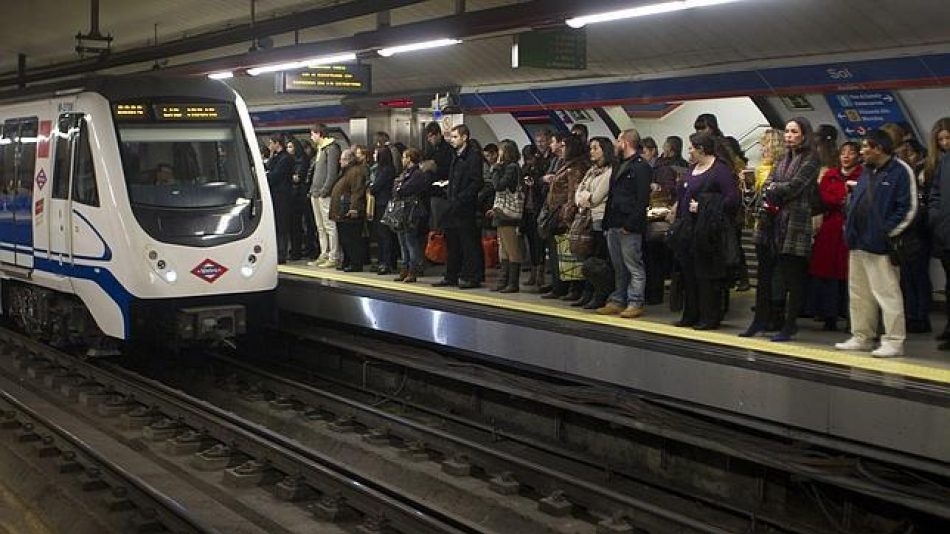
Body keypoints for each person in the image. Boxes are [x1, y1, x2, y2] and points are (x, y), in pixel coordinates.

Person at [836, 130, 917, 357]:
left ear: (879, 148)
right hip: (858, 243)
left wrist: (886, 233)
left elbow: (908, 208)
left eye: (865, 147)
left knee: (888, 294)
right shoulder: (867, 172)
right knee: (859, 294)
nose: (861, 152)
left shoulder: (901, 171)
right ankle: (861, 335)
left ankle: (894, 340)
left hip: (881, 246)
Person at [741, 118, 820, 341]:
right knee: (765, 274)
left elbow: (796, 186)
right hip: (772, 222)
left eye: (794, 132)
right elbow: (770, 184)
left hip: (795, 222)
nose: (789, 136)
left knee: (792, 277)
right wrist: (775, 187)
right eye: (787, 131)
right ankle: (760, 320)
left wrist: (775, 187)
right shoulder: (784, 159)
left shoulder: (811, 159)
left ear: (804, 135)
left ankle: (789, 323)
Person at [670, 132, 739, 329]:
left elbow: (732, 199)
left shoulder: (720, 170)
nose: (689, 151)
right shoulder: (692, 169)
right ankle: (691, 314)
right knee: (689, 274)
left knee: (706, 276)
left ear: (701, 149)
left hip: (709, 232)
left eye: (691, 147)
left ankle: (709, 316)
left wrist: (704, 206)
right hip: (688, 229)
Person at [596, 129, 652, 319]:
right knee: (618, 265)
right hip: (614, 221)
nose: (615, 143)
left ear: (626, 142)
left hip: (629, 224)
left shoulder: (640, 166)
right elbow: (612, 196)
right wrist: (607, 223)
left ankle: (635, 301)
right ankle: (618, 299)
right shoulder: (618, 164)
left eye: (618, 140)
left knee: (633, 265)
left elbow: (642, 198)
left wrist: (631, 223)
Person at [809, 142, 861, 331]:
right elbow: (823, 198)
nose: (846, 156)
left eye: (851, 153)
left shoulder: (862, 175)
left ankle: (850, 316)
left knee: (850, 275)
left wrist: (841, 198)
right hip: (830, 227)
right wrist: (842, 196)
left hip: (852, 228)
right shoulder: (831, 175)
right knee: (827, 273)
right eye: (843, 153)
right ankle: (828, 315)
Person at [432, 125, 484, 289]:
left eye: (455, 137)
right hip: (453, 204)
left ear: (464, 137)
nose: (452, 140)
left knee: (468, 242)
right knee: (452, 242)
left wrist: (461, 198)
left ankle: (472, 276)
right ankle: (451, 274)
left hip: (465, 206)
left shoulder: (473, 157)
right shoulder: (456, 156)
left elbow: (477, 182)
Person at [542, 135, 590, 301]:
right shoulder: (567, 165)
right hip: (558, 212)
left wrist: (566, 215)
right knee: (560, 253)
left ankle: (568, 287)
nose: (560, 149)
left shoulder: (575, 168)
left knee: (566, 253)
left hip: (564, 215)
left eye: (564, 146)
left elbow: (572, 194)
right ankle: (560, 285)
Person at [575, 136, 615, 309]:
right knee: (587, 258)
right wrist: (584, 198)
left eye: (595, 148)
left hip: (600, 218)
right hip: (586, 218)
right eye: (591, 148)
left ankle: (600, 294)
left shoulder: (610, 171)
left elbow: (597, 197)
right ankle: (587, 292)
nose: (591, 151)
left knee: (599, 260)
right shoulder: (591, 171)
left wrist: (586, 198)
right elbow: (579, 192)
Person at [926, 118, 950, 346]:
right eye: (941, 139)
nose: (944, 143)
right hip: (944, 232)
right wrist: (934, 216)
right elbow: (935, 193)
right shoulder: (943, 163)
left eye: (947, 138)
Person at [488, 140, 524, 293]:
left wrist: (495, 169)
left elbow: (499, 186)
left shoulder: (512, 168)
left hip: (508, 214)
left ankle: (512, 282)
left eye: (501, 150)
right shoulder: (509, 168)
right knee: (503, 248)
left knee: (511, 248)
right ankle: (504, 280)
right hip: (502, 212)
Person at [393, 148, 431, 283]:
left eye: (404, 157)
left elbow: (404, 189)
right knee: (403, 241)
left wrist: (399, 188)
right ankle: (405, 267)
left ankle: (413, 269)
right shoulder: (406, 173)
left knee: (411, 241)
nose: (402, 160)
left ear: (409, 159)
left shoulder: (417, 174)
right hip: (403, 212)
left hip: (412, 211)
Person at [307, 124, 342, 268]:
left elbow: (331, 173)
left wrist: (325, 190)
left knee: (329, 225)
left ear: (319, 133)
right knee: (320, 226)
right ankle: (324, 253)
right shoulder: (320, 149)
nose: (311, 137)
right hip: (315, 192)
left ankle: (334, 256)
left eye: (313, 134)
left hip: (324, 193)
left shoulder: (331, 149)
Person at [329, 148, 369, 272]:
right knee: (344, 238)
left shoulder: (355, 172)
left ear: (348, 160)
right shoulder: (347, 172)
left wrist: (354, 208)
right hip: (342, 210)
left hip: (348, 210)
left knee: (352, 239)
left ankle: (355, 263)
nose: (340, 162)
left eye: (342, 159)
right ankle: (347, 260)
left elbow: (356, 191)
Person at [520, 144, 546, 290]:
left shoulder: (541, 169)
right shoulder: (524, 169)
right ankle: (533, 271)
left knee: (539, 243)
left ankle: (540, 272)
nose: (529, 162)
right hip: (527, 209)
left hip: (538, 208)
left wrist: (535, 182)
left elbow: (542, 188)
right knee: (531, 241)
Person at [265, 134, 293, 264]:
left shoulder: (286, 158)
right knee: (276, 224)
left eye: (271, 143)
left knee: (282, 225)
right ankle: (276, 251)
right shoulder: (276, 157)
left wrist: (268, 175)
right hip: (275, 195)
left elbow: (275, 175)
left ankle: (282, 253)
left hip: (283, 195)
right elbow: (268, 168)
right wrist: (271, 155)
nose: (269, 145)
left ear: (277, 143)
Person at [371, 146, 398, 275]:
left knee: (384, 234)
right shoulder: (386, 169)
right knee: (382, 234)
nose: (374, 155)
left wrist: (370, 187)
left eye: (377, 153)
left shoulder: (386, 170)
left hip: (384, 203)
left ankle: (386, 262)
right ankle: (383, 260)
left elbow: (377, 186)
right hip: (381, 202)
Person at [287, 138, 312, 261]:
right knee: (293, 225)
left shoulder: (302, 160)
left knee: (299, 224)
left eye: (291, 147)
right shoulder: (290, 160)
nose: (288, 149)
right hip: (293, 195)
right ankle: (296, 249)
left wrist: (287, 177)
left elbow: (298, 178)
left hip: (299, 195)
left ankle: (300, 249)